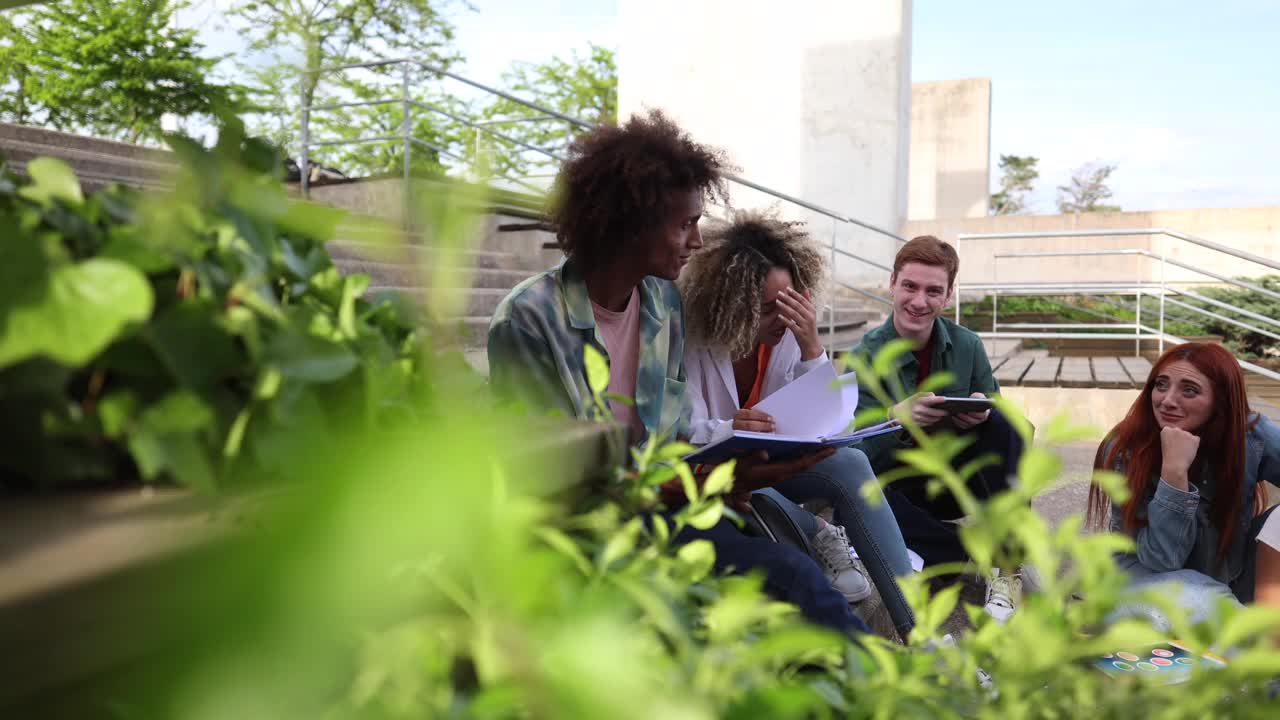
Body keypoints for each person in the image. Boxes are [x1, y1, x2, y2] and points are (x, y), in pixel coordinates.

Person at [487, 110, 868, 635]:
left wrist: (727, 466)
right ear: (632, 223)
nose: (696, 241)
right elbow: (551, 481)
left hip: (666, 510)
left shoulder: (662, 304)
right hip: (589, 537)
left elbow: (670, 436)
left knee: (795, 576)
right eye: (686, 224)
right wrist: (701, 483)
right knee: (792, 578)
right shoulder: (530, 318)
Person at [679, 210, 915, 634]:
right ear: (731, 303)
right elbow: (685, 428)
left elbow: (829, 429)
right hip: (710, 473)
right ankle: (816, 527)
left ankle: (924, 635)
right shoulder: (692, 338)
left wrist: (810, 346)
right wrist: (733, 426)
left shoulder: (786, 336)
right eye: (769, 308)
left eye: (791, 304)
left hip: (769, 465)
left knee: (851, 465)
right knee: (758, 495)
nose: (784, 318)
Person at [849, 235, 1026, 621]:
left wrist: (981, 413)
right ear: (892, 283)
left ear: (947, 297)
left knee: (1008, 424)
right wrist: (895, 418)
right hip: (898, 490)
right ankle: (963, 552)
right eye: (910, 286)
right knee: (860, 495)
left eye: (933, 291)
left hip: (954, 480)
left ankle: (1004, 565)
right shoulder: (863, 357)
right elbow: (851, 451)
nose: (919, 301)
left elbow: (1007, 432)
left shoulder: (967, 345)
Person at [1087, 342, 1280, 624]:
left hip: (1230, 578)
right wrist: (1174, 473)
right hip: (1145, 585)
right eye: (1161, 385)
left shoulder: (1250, 436)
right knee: (1194, 596)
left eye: (1189, 390)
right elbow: (1162, 560)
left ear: (1221, 400)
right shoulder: (1126, 449)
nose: (1167, 400)